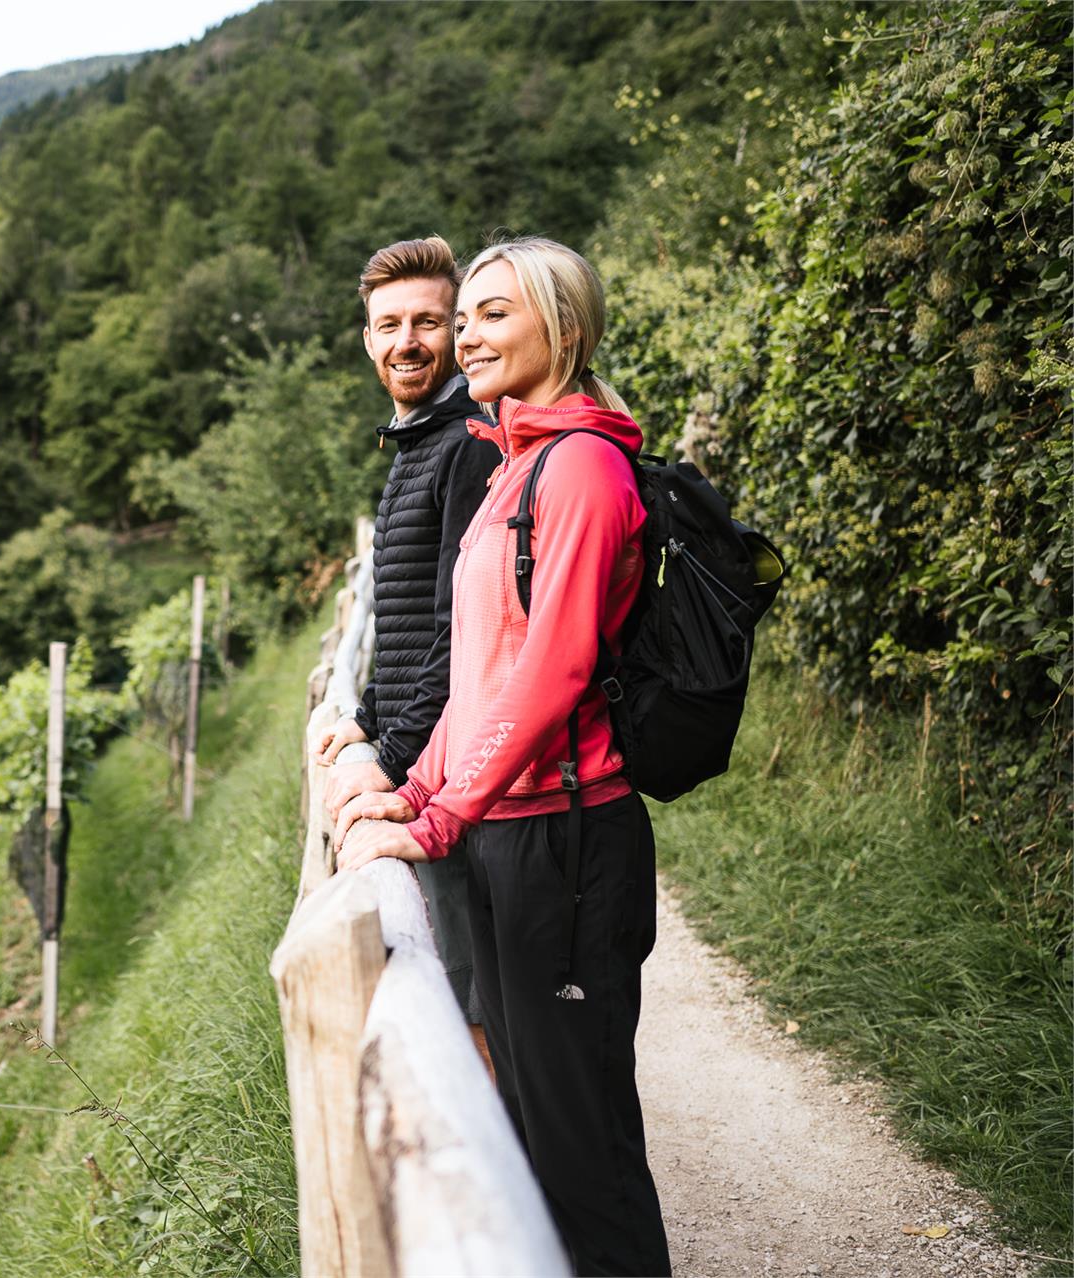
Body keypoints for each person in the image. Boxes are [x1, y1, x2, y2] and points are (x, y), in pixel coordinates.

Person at [330, 236, 671, 1276]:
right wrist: (413, 787)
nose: (464, 335)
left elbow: (552, 671)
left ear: (560, 328)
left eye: (489, 314)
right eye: (461, 315)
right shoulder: (520, 460)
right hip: (511, 838)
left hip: (567, 843)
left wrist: (433, 815)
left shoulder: (583, 469)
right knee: (524, 1126)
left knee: (583, 1155)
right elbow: (478, 672)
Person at [313, 235, 499, 1069]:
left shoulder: (465, 443)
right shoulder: (416, 439)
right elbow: (405, 623)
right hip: (426, 770)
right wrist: (360, 719)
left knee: (470, 1006)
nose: (406, 342)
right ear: (367, 338)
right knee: (456, 989)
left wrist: (383, 760)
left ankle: (495, 1192)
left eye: (427, 322)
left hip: (451, 778)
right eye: (388, 324)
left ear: (456, 332)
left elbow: (460, 632)